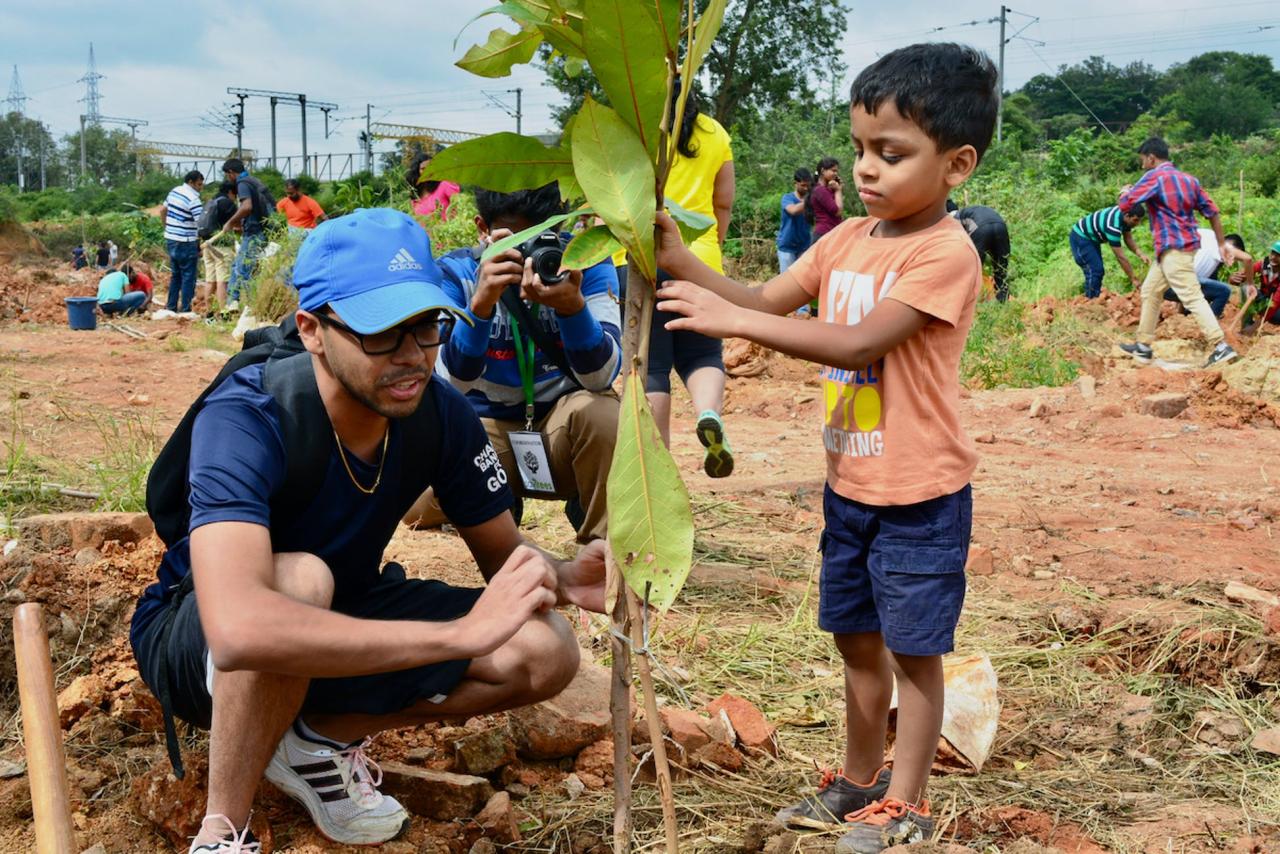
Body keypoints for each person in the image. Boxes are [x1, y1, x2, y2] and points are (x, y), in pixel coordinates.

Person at [128, 208, 606, 853]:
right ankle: (225, 828)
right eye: (382, 333)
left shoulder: (439, 413)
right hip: (201, 642)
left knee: (543, 648)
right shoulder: (250, 414)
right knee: (299, 577)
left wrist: (567, 577)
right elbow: (240, 629)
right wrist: (459, 634)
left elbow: (505, 559)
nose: (412, 357)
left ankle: (312, 738)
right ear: (313, 330)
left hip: (343, 611)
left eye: (427, 327)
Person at [653, 42, 995, 853]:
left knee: (916, 653)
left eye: (892, 153)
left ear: (957, 164)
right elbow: (762, 295)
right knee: (856, 642)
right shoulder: (845, 240)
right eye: (860, 148)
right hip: (851, 489)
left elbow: (853, 343)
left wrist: (737, 324)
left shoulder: (943, 253)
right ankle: (858, 781)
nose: (866, 169)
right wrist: (680, 261)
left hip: (920, 495)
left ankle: (904, 804)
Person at [404, 184, 621, 543]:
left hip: (561, 427)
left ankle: (600, 551)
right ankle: (494, 504)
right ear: (482, 229)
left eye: (543, 236)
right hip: (482, 432)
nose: (529, 255)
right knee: (414, 509)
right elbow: (447, 383)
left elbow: (599, 378)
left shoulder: (586, 264)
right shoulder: (456, 273)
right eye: (515, 239)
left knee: (604, 414)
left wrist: (573, 309)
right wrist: (480, 306)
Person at [650, 86, 736, 478]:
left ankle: (658, 465)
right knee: (702, 354)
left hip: (641, 257)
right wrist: (709, 248)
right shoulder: (716, 133)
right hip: (699, 259)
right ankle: (707, 413)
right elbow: (723, 202)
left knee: (652, 366)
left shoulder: (639, 129)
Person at [1117, 138, 1239, 368]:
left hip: (1173, 248)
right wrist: (1222, 244)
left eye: (1143, 159)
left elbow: (1127, 205)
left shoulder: (1154, 176)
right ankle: (1143, 347)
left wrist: (1124, 192)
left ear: (1151, 157)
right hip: (1179, 248)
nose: (1142, 163)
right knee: (1151, 290)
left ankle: (1220, 346)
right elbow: (1212, 211)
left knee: (1191, 295)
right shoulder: (1189, 180)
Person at [219, 158, 270, 309]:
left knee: (244, 269)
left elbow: (247, 207)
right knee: (240, 266)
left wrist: (230, 222)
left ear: (231, 173)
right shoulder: (254, 181)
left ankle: (246, 307)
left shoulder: (242, 183)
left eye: (228, 176)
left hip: (254, 233)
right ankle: (236, 304)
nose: (229, 179)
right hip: (261, 231)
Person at [1164, 230, 1251, 318]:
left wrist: (1181, 315)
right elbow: (1248, 259)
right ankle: (1209, 324)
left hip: (1161, 280)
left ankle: (1187, 317)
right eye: (1234, 258)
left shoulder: (1207, 235)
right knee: (1224, 291)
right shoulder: (1224, 247)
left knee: (1208, 287)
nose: (1231, 262)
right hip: (1176, 285)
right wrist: (1250, 284)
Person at [1068, 202, 1148, 298]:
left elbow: (1128, 238)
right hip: (1081, 237)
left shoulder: (1125, 214)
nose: (1137, 224)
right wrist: (1133, 279)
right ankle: (1091, 302)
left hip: (1092, 238)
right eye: (1136, 220)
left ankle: (1093, 298)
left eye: (1139, 220)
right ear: (1127, 216)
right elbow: (1120, 257)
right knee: (1095, 270)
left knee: (1097, 271)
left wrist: (1140, 254)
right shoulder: (1113, 226)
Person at [162, 170, 205, 316]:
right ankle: (185, 309)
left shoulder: (175, 191)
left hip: (172, 239)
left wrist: (167, 229)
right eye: (199, 184)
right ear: (191, 182)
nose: (201, 187)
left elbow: (163, 210)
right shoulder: (193, 199)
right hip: (186, 241)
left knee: (176, 275)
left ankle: (171, 306)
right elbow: (201, 224)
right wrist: (199, 245)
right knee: (188, 276)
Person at [955, 205, 1011, 302]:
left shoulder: (955, 218)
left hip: (981, 228)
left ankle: (970, 303)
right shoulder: (971, 211)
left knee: (973, 270)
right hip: (1001, 226)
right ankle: (1003, 301)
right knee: (1001, 269)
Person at [201, 182, 239, 308]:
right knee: (223, 280)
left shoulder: (211, 201)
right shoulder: (227, 203)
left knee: (210, 280)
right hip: (222, 247)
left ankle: (209, 314)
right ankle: (224, 313)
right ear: (230, 192)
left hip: (207, 244)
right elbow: (238, 225)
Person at [778, 168, 813, 274]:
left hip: (804, 245)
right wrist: (810, 199)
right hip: (787, 246)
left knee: (803, 279)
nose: (806, 188)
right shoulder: (787, 198)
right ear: (795, 183)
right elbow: (793, 210)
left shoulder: (811, 200)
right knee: (786, 282)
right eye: (803, 185)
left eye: (808, 185)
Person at [1242, 239, 1280, 332]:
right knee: (1245, 289)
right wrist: (1236, 277)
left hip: (1276, 307)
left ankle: (1257, 322)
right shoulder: (1264, 263)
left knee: (1276, 318)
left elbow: (1275, 302)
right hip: (1263, 299)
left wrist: (1255, 327)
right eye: (1273, 253)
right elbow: (1247, 273)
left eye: (1278, 255)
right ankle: (1246, 323)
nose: (1273, 257)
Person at [409, 155, 462, 220]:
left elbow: (461, 206)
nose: (427, 171)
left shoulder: (444, 184)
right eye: (423, 169)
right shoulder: (415, 196)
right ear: (417, 172)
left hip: (446, 229)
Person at [808, 157, 844, 242]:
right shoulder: (820, 190)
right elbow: (838, 212)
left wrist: (838, 189)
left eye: (837, 171)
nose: (836, 174)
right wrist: (838, 191)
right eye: (833, 170)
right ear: (823, 171)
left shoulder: (826, 190)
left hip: (830, 233)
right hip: (824, 234)